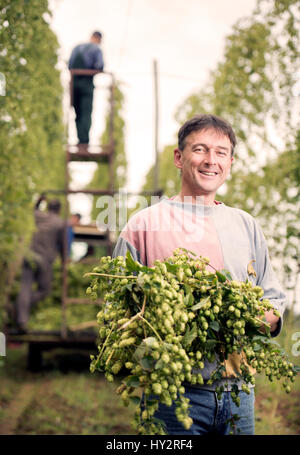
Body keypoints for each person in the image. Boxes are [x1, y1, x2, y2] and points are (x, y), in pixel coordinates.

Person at [112, 114, 286, 435]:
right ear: (180, 158)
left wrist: (265, 317)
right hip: (172, 394)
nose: (211, 161)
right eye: (201, 150)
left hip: (238, 392)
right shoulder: (144, 225)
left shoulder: (245, 225)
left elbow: (272, 297)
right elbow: (119, 308)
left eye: (221, 153)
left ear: (230, 162)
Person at [15, 196, 65, 334]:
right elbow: (63, 246)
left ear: (48, 208)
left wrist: (39, 200)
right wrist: (64, 262)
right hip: (45, 260)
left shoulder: (39, 216)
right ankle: (22, 306)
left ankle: (21, 316)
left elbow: (34, 209)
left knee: (25, 287)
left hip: (30, 256)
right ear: (59, 210)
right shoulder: (60, 223)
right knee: (44, 291)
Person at [68, 31, 104, 146]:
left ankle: (79, 139)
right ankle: (84, 141)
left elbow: (69, 65)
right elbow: (100, 66)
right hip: (87, 84)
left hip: (74, 83)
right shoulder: (96, 49)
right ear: (99, 39)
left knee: (77, 112)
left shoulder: (77, 47)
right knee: (86, 112)